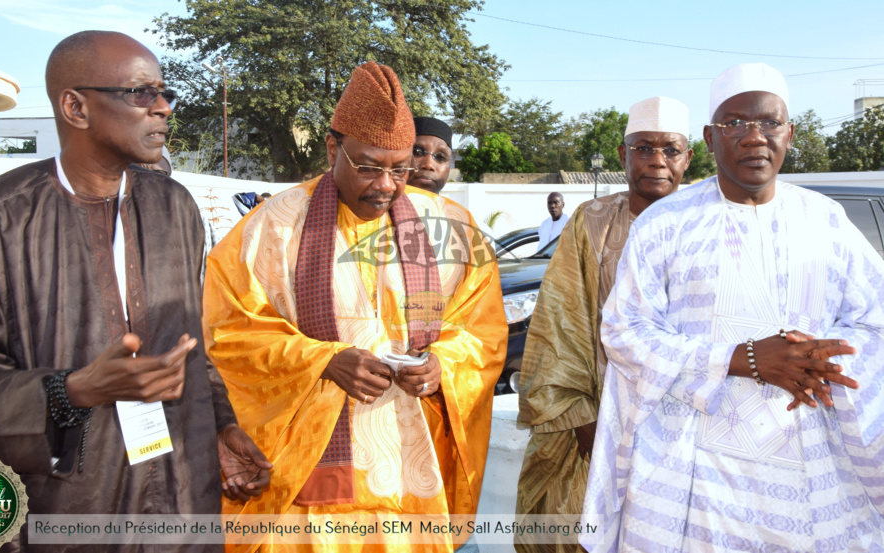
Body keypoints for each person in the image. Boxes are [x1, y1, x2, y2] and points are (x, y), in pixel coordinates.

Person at [0, 30, 270, 553]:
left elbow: (192, 349)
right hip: (63, 512)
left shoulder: (175, 208)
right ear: (75, 107)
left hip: (179, 499)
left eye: (164, 93)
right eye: (140, 93)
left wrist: (221, 428)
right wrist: (75, 390)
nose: (162, 109)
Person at [203, 61, 507, 552]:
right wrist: (324, 360)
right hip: (310, 482)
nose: (387, 185)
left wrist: (441, 366)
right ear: (332, 148)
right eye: (368, 166)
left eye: (400, 168)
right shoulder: (270, 228)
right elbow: (230, 332)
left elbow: (482, 331)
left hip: (414, 474)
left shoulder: (450, 227)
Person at [581, 63, 884, 551]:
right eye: (735, 123)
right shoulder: (665, 224)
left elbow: (876, 322)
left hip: (808, 457)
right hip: (694, 468)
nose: (753, 137)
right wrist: (741, 360)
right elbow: (624, 331)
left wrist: (815, 359)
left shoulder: (825, 220)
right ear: (709, 137)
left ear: (790, 132)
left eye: (769, 122)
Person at [515, 96, 691, 553]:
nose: (657, 161)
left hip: (688, 433)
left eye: (670, 149)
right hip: (594, 424)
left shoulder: (708, 223)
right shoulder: (592, 222)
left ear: (689, 157)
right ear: (622, 154)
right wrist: (587, 425)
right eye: (643, 148)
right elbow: (559, 324)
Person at [408, 116, 453, 195]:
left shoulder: (453, 207)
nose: (428, 165)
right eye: (417, 152)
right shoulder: (380, 206)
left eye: (440, 157)